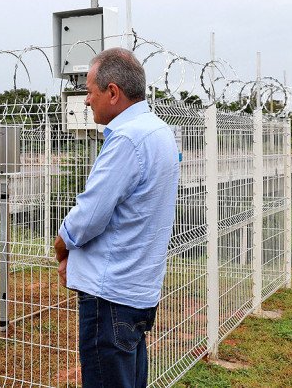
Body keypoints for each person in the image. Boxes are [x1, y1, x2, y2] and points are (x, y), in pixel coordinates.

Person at [54, 48, 180, 388]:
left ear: (112, 92)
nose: (85, 101)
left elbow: (91, 214)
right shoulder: (160, 132)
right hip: (138, 291)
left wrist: (62, 244)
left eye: (90, 91)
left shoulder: (127, 139)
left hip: (110, 297)